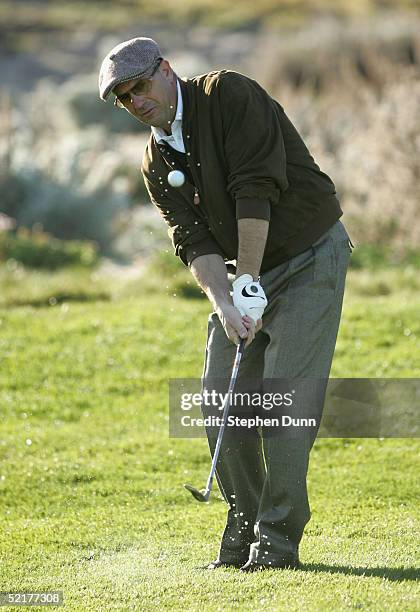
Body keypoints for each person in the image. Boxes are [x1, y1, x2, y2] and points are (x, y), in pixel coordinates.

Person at [98, 37, 353, 572]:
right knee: (218, 402)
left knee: (283, 402)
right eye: (124, 97)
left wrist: (251, 283)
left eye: (141, 85)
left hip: (309, 257)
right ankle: (243, 527)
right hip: (241, 275)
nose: (136, 101)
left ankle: (278, 544)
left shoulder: (227, 94)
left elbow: (254, 190)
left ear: (167, 71)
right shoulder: (153, 159)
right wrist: (225, 302)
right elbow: (194, 242)